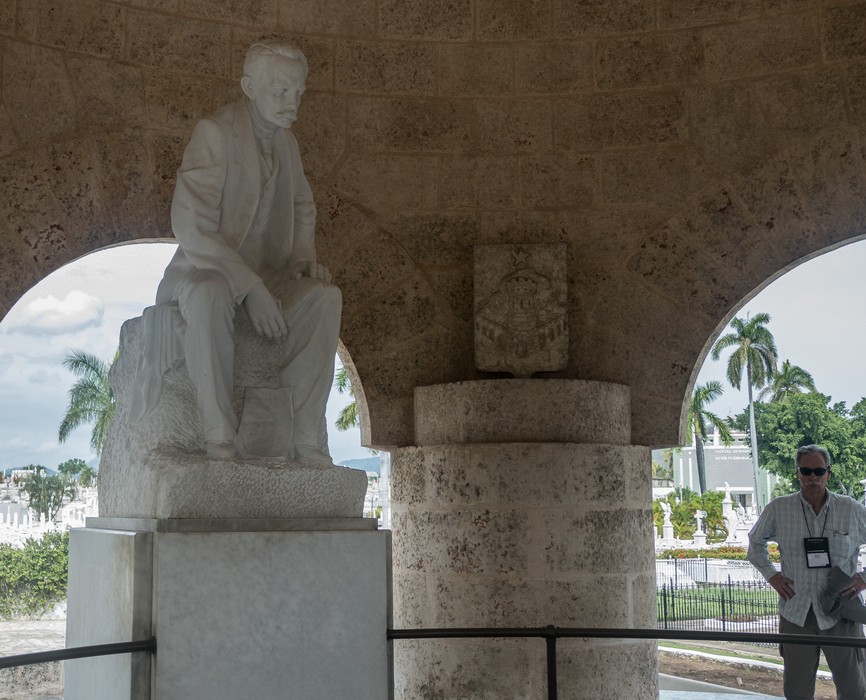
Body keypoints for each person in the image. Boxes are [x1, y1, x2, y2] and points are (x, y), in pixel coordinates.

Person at [132, 41, 340, 462]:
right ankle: (219, 438)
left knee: (324, 298)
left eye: (298, 93)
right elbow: (190, 226)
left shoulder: (288, 144)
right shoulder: (215, 132)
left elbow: (303, 207)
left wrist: (302, 263)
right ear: (249, 86)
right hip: (206, 270)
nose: (292, 104)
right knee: (209, 292)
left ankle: (303, 439)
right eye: (280, 92)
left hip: (273, 271)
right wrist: (251, 287)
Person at [748, 444, 866, 699]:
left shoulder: (851, 509)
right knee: (797, 690)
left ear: (829, 473)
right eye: (807, 470)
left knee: (854, 689)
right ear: (798, 473)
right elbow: (755, 543)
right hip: (797, 611)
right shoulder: (779, 508)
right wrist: (772, 575)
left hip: (841, 611)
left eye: (819, 471)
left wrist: (863, 578)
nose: (813, 477)